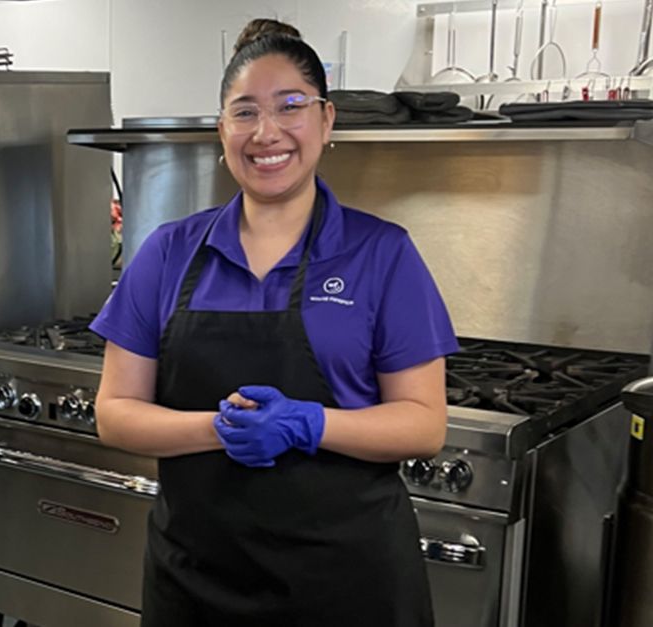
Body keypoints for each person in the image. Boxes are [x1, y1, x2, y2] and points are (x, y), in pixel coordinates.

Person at [90, 19, 457, 627]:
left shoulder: (382, 254)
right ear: (222, 130)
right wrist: (221, 428)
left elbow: (423, 424)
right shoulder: (168, 252)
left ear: (326, 121)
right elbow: (115, 411)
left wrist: (305, 424)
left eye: (291, 106)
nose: (267, 133)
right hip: (196, 581)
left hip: (348, 585)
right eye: (245, 112)